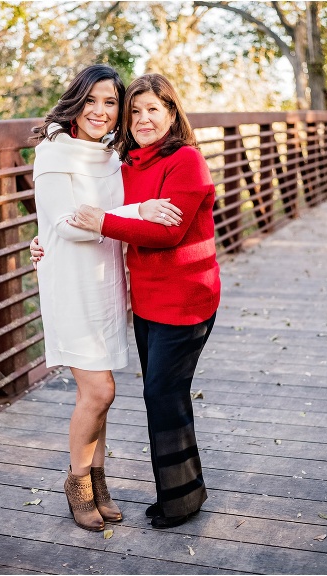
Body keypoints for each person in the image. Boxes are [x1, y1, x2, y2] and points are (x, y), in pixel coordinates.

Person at [67, 73, 221, 529]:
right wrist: (48, 242)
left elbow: (168, 231)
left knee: (163, 394)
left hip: (189, 300)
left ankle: (181, 499)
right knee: (161, 396)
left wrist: (103, 222)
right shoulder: (127, 162)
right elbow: (82, 203)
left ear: (172, 113)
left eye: (153, 109)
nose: (142, 118)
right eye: (134, 111)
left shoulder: (187, 161)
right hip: (149, 300)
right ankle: (181, 489)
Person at [31, 65, 181, 532]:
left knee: (98, 396)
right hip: (70, 285)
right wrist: (138, 211)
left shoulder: (112, 156)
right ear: (76, 100)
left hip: (106, 284)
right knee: (100, 390)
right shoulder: (53, 153)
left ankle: (98, 480)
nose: (101, 111)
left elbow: (107, 214)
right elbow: (64, 227)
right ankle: (77, 483)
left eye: (111, 103)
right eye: (91, 100)